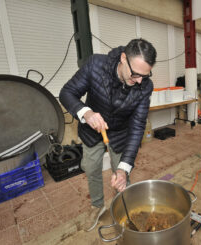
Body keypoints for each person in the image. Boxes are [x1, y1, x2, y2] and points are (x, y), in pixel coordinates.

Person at [59, 39, 157, 231]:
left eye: (145, 75)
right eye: (135, 74)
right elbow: (67, 92)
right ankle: (97, 206)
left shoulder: (145, 86)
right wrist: (85, 113)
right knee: (91, 168)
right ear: (123, 59)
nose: (139, 81)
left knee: (121, 175)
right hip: (91, 130)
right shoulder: (96, 65)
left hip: (121, 133)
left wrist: (124, 168)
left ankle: (122, 207)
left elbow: (137, 127)